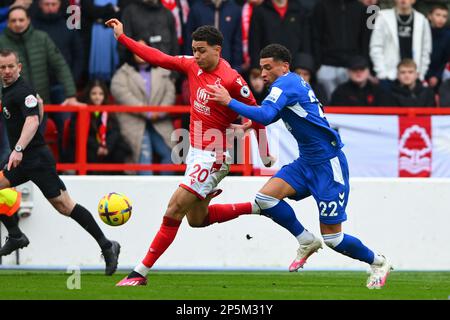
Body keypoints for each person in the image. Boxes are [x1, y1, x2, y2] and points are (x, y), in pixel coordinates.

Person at [206, 44, 393, 289]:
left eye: (268, 67)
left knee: (333, 239)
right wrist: (248, 127)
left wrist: (229, 101)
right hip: (307, 162)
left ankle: (378, 262)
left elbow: (265, 114)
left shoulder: (286, 84)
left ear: (284, 66)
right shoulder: (290, 84)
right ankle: (306, 240)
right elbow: (271, 116)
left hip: (328, 166)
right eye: (261, 68)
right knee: (265, 198)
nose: (263, 73)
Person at [106, 19, 276, 286]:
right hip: (196, 152)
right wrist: (122, 38)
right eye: (194, 49)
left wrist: (264, 153)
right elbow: (159, 57)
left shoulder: (232, 80)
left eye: (201, 50)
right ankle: (257, 206)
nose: (196, 55)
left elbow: (260, 115)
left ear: (217, 50)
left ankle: (139, 272)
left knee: (173, 208)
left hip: (215, 155)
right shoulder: (190, 65)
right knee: (196, 221)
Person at [0, 49, 121, 275]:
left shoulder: (22, 90)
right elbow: (39, 109)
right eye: (2, 67)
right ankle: (15, 235)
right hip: (22, 160)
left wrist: (18, 148)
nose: (6, 71)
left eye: (10, 67)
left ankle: (107, 245)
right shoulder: (9, 91)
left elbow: (33, 120)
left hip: (36, 160)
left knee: (65, 206)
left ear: (19, 67)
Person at [110, 40, 176, 175]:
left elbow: (170, 92)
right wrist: (148, 112)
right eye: (137, 49)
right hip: (134, 122)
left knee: (169, 153)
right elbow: (122, 94)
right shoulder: (122, 74)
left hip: (159, 121)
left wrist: (160, 111)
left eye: (144, 48)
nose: (140, 52)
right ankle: (147, 194)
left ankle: (168, 193)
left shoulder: (162, 72)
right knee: (144, 154)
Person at [64, 80, 132, 171]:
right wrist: (97, 147)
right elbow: (76, 134)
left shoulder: (109, 110)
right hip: (90, 148)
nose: (97, 97)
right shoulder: (80, 110)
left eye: (101, 94)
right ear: (88, 95)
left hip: (106, 148)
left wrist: (107, 147)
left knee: (120, 151)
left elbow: (115, 132)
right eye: (94, 94)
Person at [369, 0, 432, 90]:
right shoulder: (383, 17)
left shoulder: (421, 20)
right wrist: (382, 73)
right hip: (389, 76)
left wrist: (421, 73)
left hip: (413, 76)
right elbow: (376, 47)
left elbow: (426, 50)